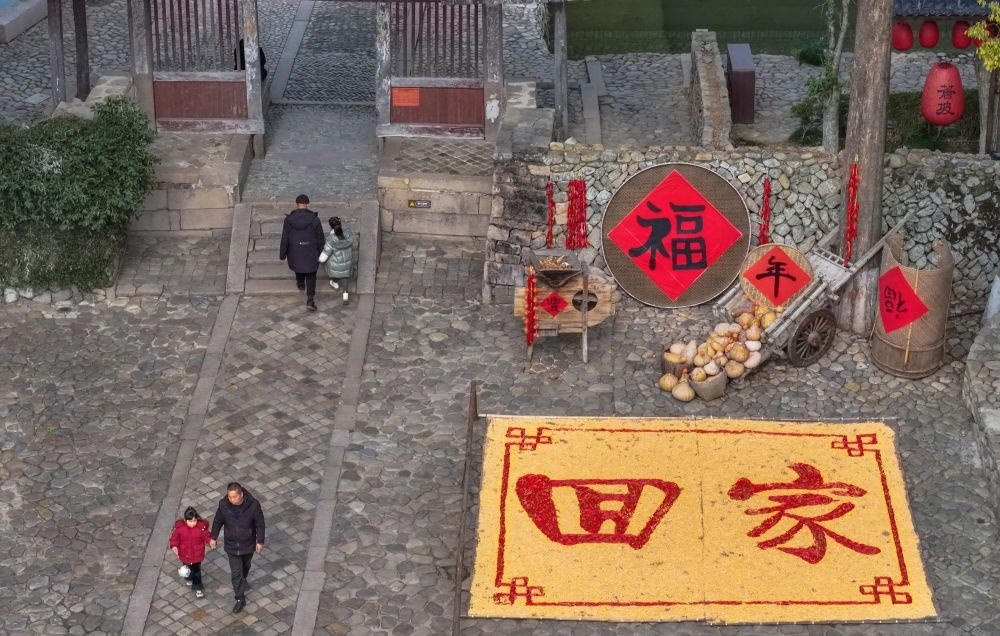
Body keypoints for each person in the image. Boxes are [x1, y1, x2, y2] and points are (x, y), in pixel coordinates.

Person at [209, 482, 265, 614]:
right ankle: (240, 598)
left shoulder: (253, 505)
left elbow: (260, 524)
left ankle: (242, 580)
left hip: (248, 544)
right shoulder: (223, 505)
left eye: (234, 497)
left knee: (245, 566)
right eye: (229, 496)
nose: (231, 499)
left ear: (241, 495)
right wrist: (213, 537)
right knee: (236, 573)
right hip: (231, 545)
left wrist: (260, 541)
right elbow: (217, 521)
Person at [280, 194, 324, 311]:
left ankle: (300, 283)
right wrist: (322, 253)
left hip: (295, 250)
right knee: (311, 275)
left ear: (296, 204)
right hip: (311, 250)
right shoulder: (315, 220)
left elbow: (285, 238)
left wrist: (282, 254)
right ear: (307, 204)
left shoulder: (289, 220)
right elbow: (320, 238)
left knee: (298, 266)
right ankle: (310, 299)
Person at [168, 506, 211, 599]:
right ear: (185, 520)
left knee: (197, 572)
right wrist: (174, 546)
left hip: (197, 555)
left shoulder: (201, 528)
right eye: (190, 521)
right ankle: (188, 577)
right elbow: (174, 538)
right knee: (187, 570)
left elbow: (206, 536)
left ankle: (198, 588)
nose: (192, 523)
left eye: (194, 521)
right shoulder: (180, 529)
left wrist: (210, 541)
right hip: (185, 554)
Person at [319, 217, 356, 305]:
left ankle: (334, 281)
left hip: (335, 264)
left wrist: (320, 260)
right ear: (340, 224)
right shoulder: (348, 235)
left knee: (336, 271)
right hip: (347, 263)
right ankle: (345, 296)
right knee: (344, 275)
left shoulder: (330, 240)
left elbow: (323, 257)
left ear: (330, 226)